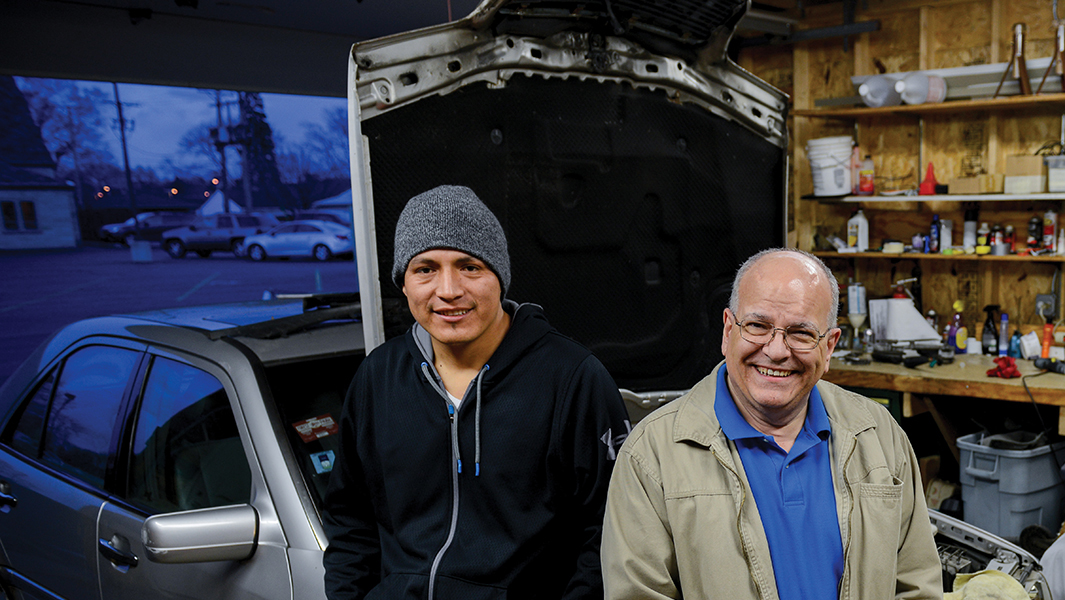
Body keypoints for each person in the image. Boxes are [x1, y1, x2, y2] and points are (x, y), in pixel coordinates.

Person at [322, 184, 631, 600]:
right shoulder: (377, 377)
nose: (448, 290)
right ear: (405, 283)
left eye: (469, 267)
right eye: (425, 268)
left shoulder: (573, 378)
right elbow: (350, 519)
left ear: (499, 277)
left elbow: (609, 531)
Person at [601, 248, 942, 599]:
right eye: (758, 326)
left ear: (830, 347)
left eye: (801, 333)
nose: (777, 350)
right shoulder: (652, 455)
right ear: (728, 330)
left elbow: (917, 584)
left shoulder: (878, 434)